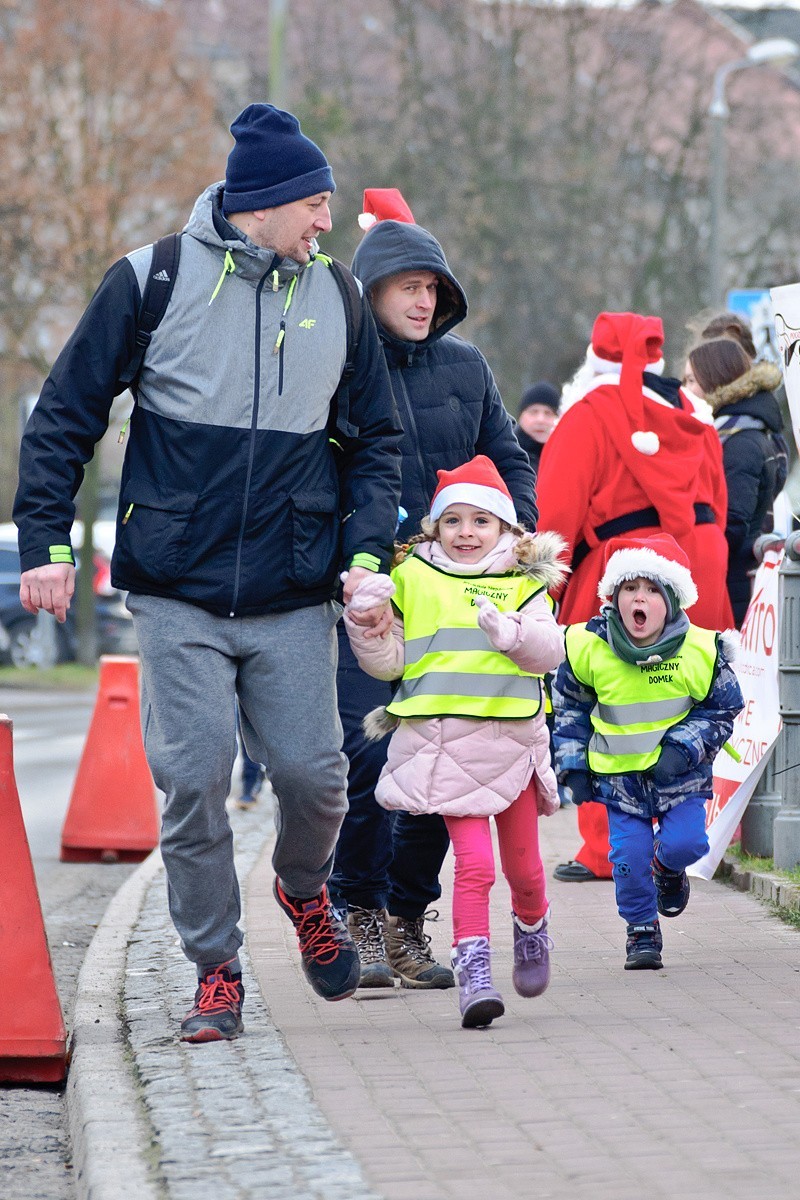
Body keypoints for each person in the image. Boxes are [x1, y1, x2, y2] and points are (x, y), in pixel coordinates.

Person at [14, 104, 403, 1042]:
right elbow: (65, 413)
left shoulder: (341, 297)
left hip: (292, 590)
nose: (325, 221)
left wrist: (360, 554)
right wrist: (45, 544)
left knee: (316, 776)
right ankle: (216, 969)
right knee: (193, 781)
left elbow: (377, 441)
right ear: (261, 205)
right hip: (176, 590)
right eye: (314, 203)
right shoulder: (151, 279)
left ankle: (303, 893)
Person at [329, 190, 537, 990]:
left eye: (433, 289)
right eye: (407, 286)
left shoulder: (468, 367)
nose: (423, 301)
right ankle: (356, 910)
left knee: (451, 769)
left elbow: (507, 459)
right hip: (376, 599)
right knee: (368, 755)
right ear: (372, 287)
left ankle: (407, 919)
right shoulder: (343, 367)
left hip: (463, 604)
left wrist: (518, 542)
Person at [344, 456, 566, 1025]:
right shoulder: (412, 578)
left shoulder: (525, 582)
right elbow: (389, 661)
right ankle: (475, 978)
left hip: (512, 746)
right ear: (434, 528)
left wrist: (510, 633)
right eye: (454, 521)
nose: (466, 533)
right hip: (442, 747)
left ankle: (532, 928)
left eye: (481, 521)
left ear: (507, 530)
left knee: (524, 871)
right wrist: (365, 626)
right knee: (474, 867)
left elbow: (550, 650)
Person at [536, 311, 734, 884]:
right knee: (689, 701)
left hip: (618, 577)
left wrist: (548, 592)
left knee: (610, 708)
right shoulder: (693, 415)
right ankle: (684, 834)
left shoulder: (588, 416)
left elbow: (557, 517)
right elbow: (719, 508)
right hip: (695, 574)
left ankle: (607, 850)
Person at [553, 533, 743, 968]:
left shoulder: (700, 649)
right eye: (630, 588)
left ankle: (669, 869)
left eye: (652, 589)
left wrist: (683, 747)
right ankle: (641, 931)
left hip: (679, 774)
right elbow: (569, 710)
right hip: (618, 777)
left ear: (673, 600)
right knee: (628, 858)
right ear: (614, 596)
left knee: (687, 844)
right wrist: (573, 766)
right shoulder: (590, 646)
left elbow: (722, 708)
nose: (640, 599)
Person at [685, 338, 786, 626]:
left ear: (715, 380)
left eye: (692, 380)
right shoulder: (738, 431)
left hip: (733, 585)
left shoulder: (739, 441)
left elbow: (732, 523)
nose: (686, 388)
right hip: (732, 579)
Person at [515, 381, 560, 475]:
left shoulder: (566, 457)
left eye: (548, 413)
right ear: (520, 416)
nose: (540, 420)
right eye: (533, 412)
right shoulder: (505, 455)